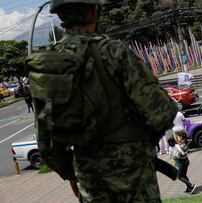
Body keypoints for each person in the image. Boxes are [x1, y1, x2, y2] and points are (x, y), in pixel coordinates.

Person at [27, 1, 177, 202]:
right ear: (94, 11)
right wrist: (146, 141)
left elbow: (46, 143)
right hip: (135, 175)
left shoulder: (48, 64)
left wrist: (72, 174)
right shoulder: (116, 52)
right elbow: (162, 114)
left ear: (60, 16)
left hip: (89, 179)